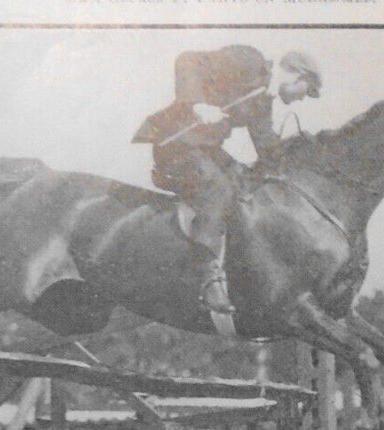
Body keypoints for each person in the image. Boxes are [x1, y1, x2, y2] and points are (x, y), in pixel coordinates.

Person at [133, 45, 323, 315]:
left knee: (245, 183)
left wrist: (303, 152)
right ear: (298, 77)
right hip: (175, 143)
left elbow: (267, 149)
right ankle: (207, 277)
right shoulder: (249, 61)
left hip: (204, 149)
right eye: (307, 91)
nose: (303, 98)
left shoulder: (263, 103)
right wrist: (197, 104)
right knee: (219, 189)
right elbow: (188, 60)